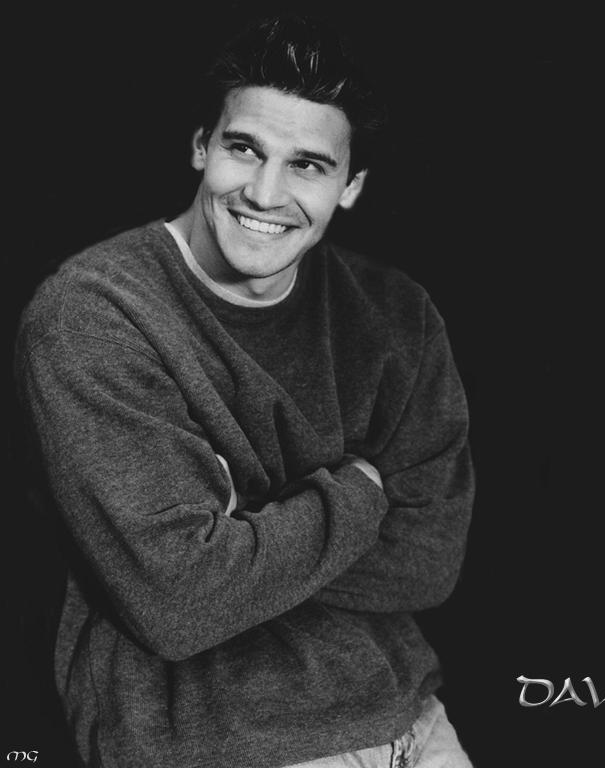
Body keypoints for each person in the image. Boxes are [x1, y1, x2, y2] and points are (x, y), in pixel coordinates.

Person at [14, 14, 474, 768]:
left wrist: (243, 536)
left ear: (351, 187)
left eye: (308, 165)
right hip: (224, 745)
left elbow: (429, 559)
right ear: (201, 147)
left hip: (415, 723)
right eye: (244, 149)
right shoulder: (96, 313)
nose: (264, 192)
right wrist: (363, 488)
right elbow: (178, 600)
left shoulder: (397, 316)